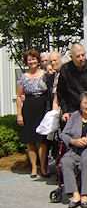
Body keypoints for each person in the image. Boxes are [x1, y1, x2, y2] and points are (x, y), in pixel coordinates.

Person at [16, 50, 53, 178]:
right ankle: (33, 168)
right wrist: (19, 114)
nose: (31, 62)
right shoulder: (23, 77)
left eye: (33, 59)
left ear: (38, 60)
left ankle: (43, 167)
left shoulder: (45, 74)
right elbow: (19, 96)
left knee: (42, 140)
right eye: (29, 60)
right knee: (30, 140)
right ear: (26, 62)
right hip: (29, 108)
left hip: (43, 107)